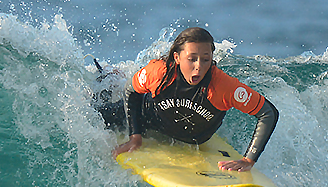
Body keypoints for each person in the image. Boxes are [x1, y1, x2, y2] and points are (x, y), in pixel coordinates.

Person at [106, 27, 278, 172]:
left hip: (196, 137)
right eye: (192, 59)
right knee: (102, 112)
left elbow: (268, 113)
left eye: (205, 60)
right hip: (148, 118)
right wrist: (135, 137)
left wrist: (248, 160)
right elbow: (131, 90)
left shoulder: (222, 87)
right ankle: (109, 78)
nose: (199, 66)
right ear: (177, 57)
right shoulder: (159, 73)